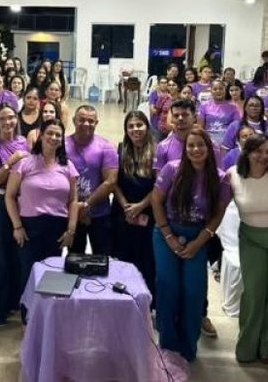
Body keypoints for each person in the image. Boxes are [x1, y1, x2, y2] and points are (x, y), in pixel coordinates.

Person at [150, 128, 231, 362]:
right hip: (167, 233)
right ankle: (168, 345)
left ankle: (188, 347)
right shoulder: (172, 169)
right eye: (191, 146)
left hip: (198, 236)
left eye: (201, 145)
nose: (196, 150)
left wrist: (198, 243)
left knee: (194, 292)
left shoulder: (221, 178)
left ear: (210, 149)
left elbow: (218, 214)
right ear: (185, 149)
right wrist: (168, 235)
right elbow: (156, 200)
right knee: (168, 287)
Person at [226, 134, 268, 364]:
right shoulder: (233, 175)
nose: (264, 156)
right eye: (258, 151)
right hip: (251, 239)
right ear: (246, 152)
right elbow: (216, 206)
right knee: (253, 292)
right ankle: (247, 345)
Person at [5, 119, 80, 307]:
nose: (53, 137)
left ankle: (47, 315)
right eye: (50, 133)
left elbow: (73, 201)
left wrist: (71, 231)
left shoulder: (67, 166)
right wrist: (17, 226)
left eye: (58, 135)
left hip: (57, 229)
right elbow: (10, 196)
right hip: (29, 228)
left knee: (51, 274)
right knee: (29, 273)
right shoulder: (25, 163)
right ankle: (28, 316)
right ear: (41, 136)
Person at [0, 104, 30, 326]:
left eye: (11, 117)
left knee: (16, 254)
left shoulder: (23, 142)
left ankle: (14, 302)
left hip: (21, 202)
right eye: (2, 119)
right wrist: (11, 162)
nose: (8, 122)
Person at [111, 111, 158, 296]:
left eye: (139, 125)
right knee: (123, 258)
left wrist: (140, 206)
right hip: (122, 213)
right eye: (130, 126)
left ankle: (146, 301)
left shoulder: (157, 151)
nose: (135, 129)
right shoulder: (121, 150)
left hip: (148, 212)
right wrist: (126, 206)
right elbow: (113, 183)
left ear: (147, 127)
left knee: (146, 261)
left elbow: (160, 186)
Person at [66, 105, 119, 255]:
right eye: (81, 120)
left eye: (90, 121)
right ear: (74, 120)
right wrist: (76, 209)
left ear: (96, 123)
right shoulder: (63, 145)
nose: (86, 124)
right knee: (74, 258)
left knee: (102, 258)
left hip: (100, 214)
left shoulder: (107, 147)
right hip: (71, 214)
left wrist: (86, 206)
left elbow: (110, 181)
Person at [198, 80, 240, 148]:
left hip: (227, 141)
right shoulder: (204, 106)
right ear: (211, 91)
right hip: (209, 141)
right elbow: (200, 127)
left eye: (221, 89)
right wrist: (209, 140)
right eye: (215, 89)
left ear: (225, 90)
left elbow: (236, 127)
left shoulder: (233, 107)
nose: (218, 91)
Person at [155, 99, 196, 169]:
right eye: (176, 115)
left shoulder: (206, 144)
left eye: (185, 115)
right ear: (172, 119)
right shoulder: (163, 147)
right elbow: (160, 174)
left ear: (194, 117)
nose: (180, 118)